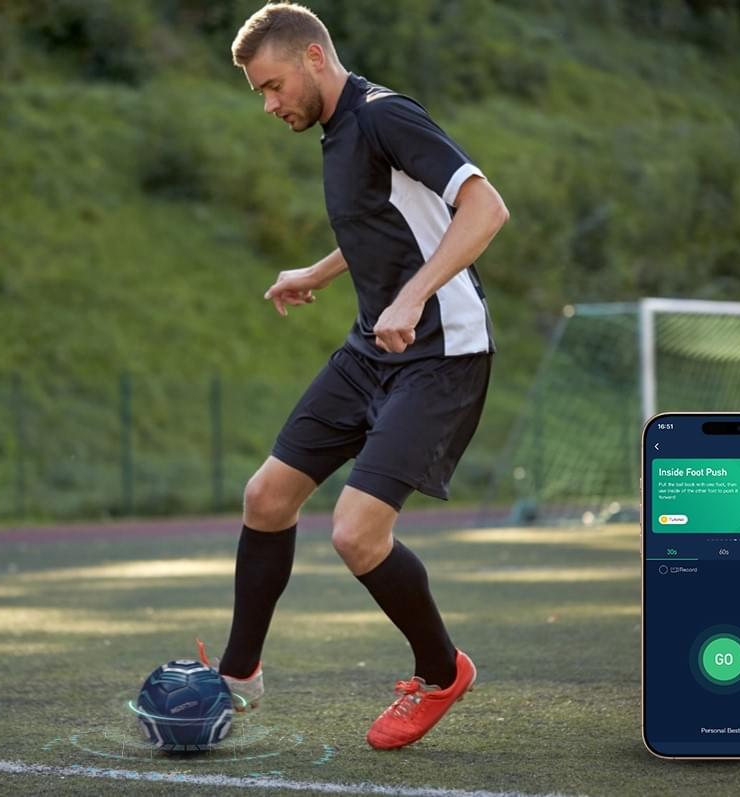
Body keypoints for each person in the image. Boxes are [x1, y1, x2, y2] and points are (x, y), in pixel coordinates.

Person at [197, 2, 508, 751]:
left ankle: (442, 672)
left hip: (442, 356)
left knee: (356, 534)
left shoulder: (383, 115)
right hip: (372, 350)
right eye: (259, 93)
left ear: (313, 58)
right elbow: (389, 217)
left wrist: (412, 295)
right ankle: (238, 677)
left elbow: (484, 208)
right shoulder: (337, 130)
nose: (268, 105)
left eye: (272, 86)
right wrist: (320, 270)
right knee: (267, 497)